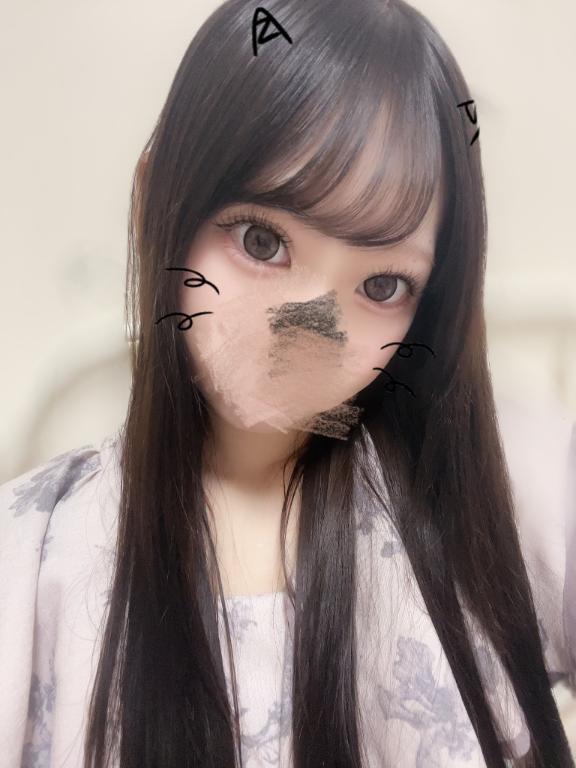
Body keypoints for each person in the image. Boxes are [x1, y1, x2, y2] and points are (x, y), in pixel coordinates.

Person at [0, 0, 574, 765]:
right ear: (152, 204)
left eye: (382, 286)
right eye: (263, 241)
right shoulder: (30, 557)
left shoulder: (509, 483)